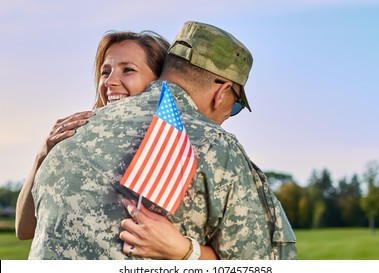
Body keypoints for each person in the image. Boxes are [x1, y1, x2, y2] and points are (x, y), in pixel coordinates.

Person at [28, 21, 297, 260]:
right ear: (223, 92)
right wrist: (190, 253)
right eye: (235, 106)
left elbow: (29, 230)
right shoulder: (214, 144)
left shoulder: (70, 133)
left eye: (128, 70)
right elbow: (260, 266)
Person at [16, 29, 218, 259]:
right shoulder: (75, 138)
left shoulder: (180, 146)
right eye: (105, 72)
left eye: (128, 70)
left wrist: (185, 251)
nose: (110, 82)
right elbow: (24, 230)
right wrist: (42, 155)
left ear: (158, 82)